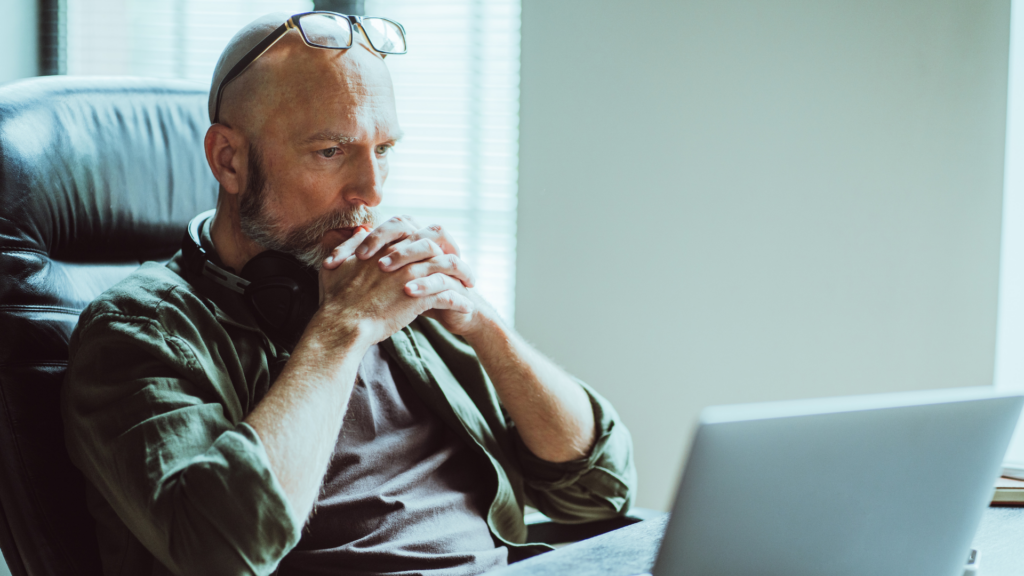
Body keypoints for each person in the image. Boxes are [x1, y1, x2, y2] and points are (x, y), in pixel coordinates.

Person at [61, 11, 636, 576]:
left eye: (382, 149)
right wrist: (342, 331)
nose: (372, 190)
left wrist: (481, 323)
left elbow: (600, 490)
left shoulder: (397, 289)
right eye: (331, 151)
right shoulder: (138, 330)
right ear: (228, 160)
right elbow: (222, 548)